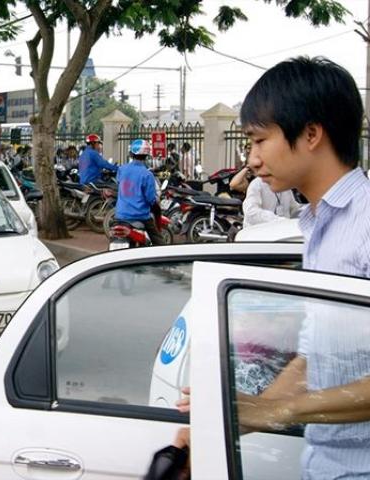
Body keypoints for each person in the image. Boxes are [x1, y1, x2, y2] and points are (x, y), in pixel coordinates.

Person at [175, 56, 370, 479]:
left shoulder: (365, 224)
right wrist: (234, 418)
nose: (253, 159)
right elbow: (316, 355)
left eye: (260, 141)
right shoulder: (318, 224)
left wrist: (278, 408)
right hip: (323, 466)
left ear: (312, 134)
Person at [114, 139, 161, 245]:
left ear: (131, 154)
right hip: (140, 216)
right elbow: (150, 199)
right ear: (146, 156)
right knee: (157, 238)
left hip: (120, 215)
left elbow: (119, 184)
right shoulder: (147, 174)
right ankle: (166, 258)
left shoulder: (122, 169)